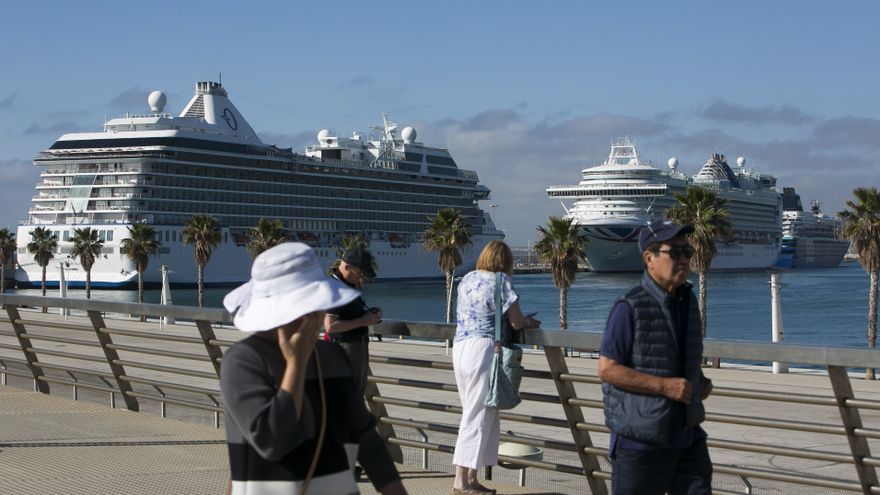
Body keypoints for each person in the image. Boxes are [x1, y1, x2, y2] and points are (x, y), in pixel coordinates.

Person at [220, 242, 406, 495]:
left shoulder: (332, 356)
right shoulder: (243, 361)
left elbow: (366, 438)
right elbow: (273, 441)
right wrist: (295, 363)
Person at [598, 220, 714, 495]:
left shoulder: (687, 301)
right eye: (674, 252)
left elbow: (673, 357)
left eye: (687, 251)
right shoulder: (629, 306)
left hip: (687, 433)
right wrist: (665, 386)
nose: (684, 259)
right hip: (641, 439)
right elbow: (608, 369)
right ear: (649, 258)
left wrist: (699, 382)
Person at [451, 240, 540, 495]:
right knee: (477, 415)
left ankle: (472, 477)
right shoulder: (500, 281)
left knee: (484, 412)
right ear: (505, 261)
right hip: (484, 349)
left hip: (461, 347)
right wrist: (530, 323)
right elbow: (516, 322)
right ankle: (460, 480)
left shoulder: (467, 279)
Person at [324, 247, 382, 403]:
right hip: (345, 349)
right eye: (359, 273)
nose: (360, 277)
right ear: (347, 266)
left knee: (355, 397)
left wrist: (369, 315)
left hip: (357, 348)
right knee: (347, 399)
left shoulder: (348, 285)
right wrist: (364, 321)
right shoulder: (335, 288)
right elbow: (330, 326)